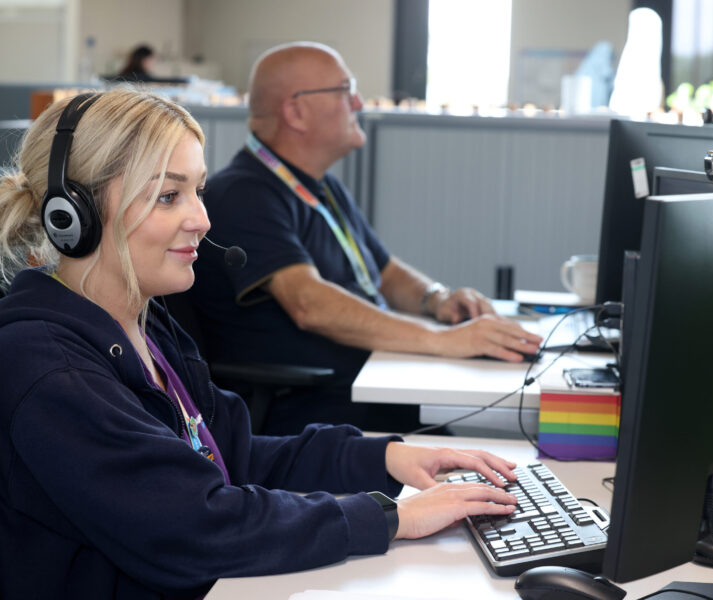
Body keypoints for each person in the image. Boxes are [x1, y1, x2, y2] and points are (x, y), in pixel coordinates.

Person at [0, 89, 521, 598]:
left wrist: (384, 458)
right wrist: (391, 517)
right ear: (75, 215)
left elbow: (233, 456)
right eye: (169, 196)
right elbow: (194, 525)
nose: (202, 219)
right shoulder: (51, 369)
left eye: (198, 191)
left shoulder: (144, 326)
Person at [190, 41, 542, 434]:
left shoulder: (321, 187)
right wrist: (443, 340)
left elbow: (385, 273)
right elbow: (309, 304)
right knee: (484, 443)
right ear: (296, 111)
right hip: (310, 416)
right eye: (346, 90)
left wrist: (438, 299)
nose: (358, 102)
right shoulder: (243, 195)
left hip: (364, 387)